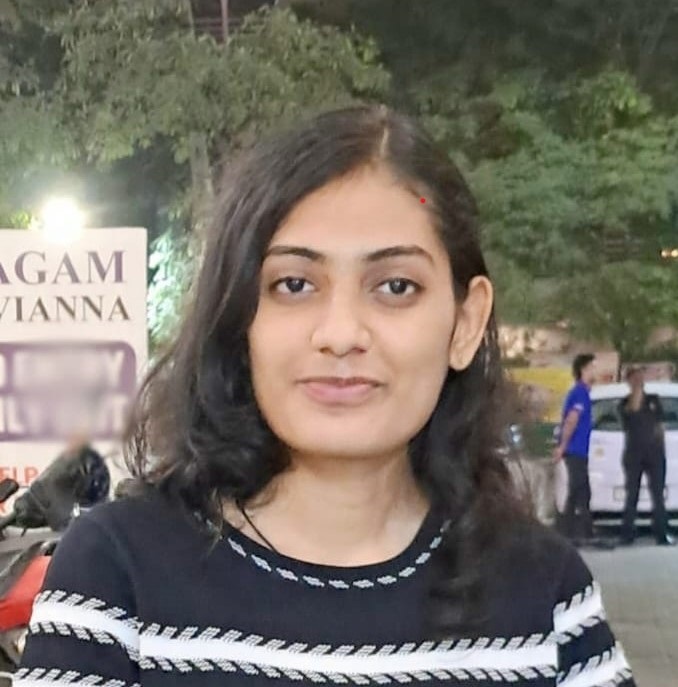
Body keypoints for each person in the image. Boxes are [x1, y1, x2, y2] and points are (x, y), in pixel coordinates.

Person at [17, 106, 634, 686]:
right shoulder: (115, 580)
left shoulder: (545, 596)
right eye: (293, 284)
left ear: (465, 323)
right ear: (238, 319)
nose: (340, 334)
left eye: (396, 286)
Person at [619, 367, 674, 546]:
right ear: (629, 381)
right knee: (632, 494)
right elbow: (633, 411)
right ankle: (627, 534)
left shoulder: (654, 399)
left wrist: (661, 447)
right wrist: (636, 391)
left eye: (640, 377)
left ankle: (661, 533)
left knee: (657, 494)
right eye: (634, 378)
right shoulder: (624, 403)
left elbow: (660, 425)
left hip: (655, 454)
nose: (639, 380)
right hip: (634, 454)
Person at [554, 354, 596, 541]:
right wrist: (563, 446)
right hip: (575, 450)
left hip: (579, 450)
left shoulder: (583, 393)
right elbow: (572, 420)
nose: (595, 372)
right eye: (592, 368)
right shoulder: (580, 393)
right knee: (577, 490)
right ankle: (569, 533)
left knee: (580, 491)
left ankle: (580, 532)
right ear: (584, 370)